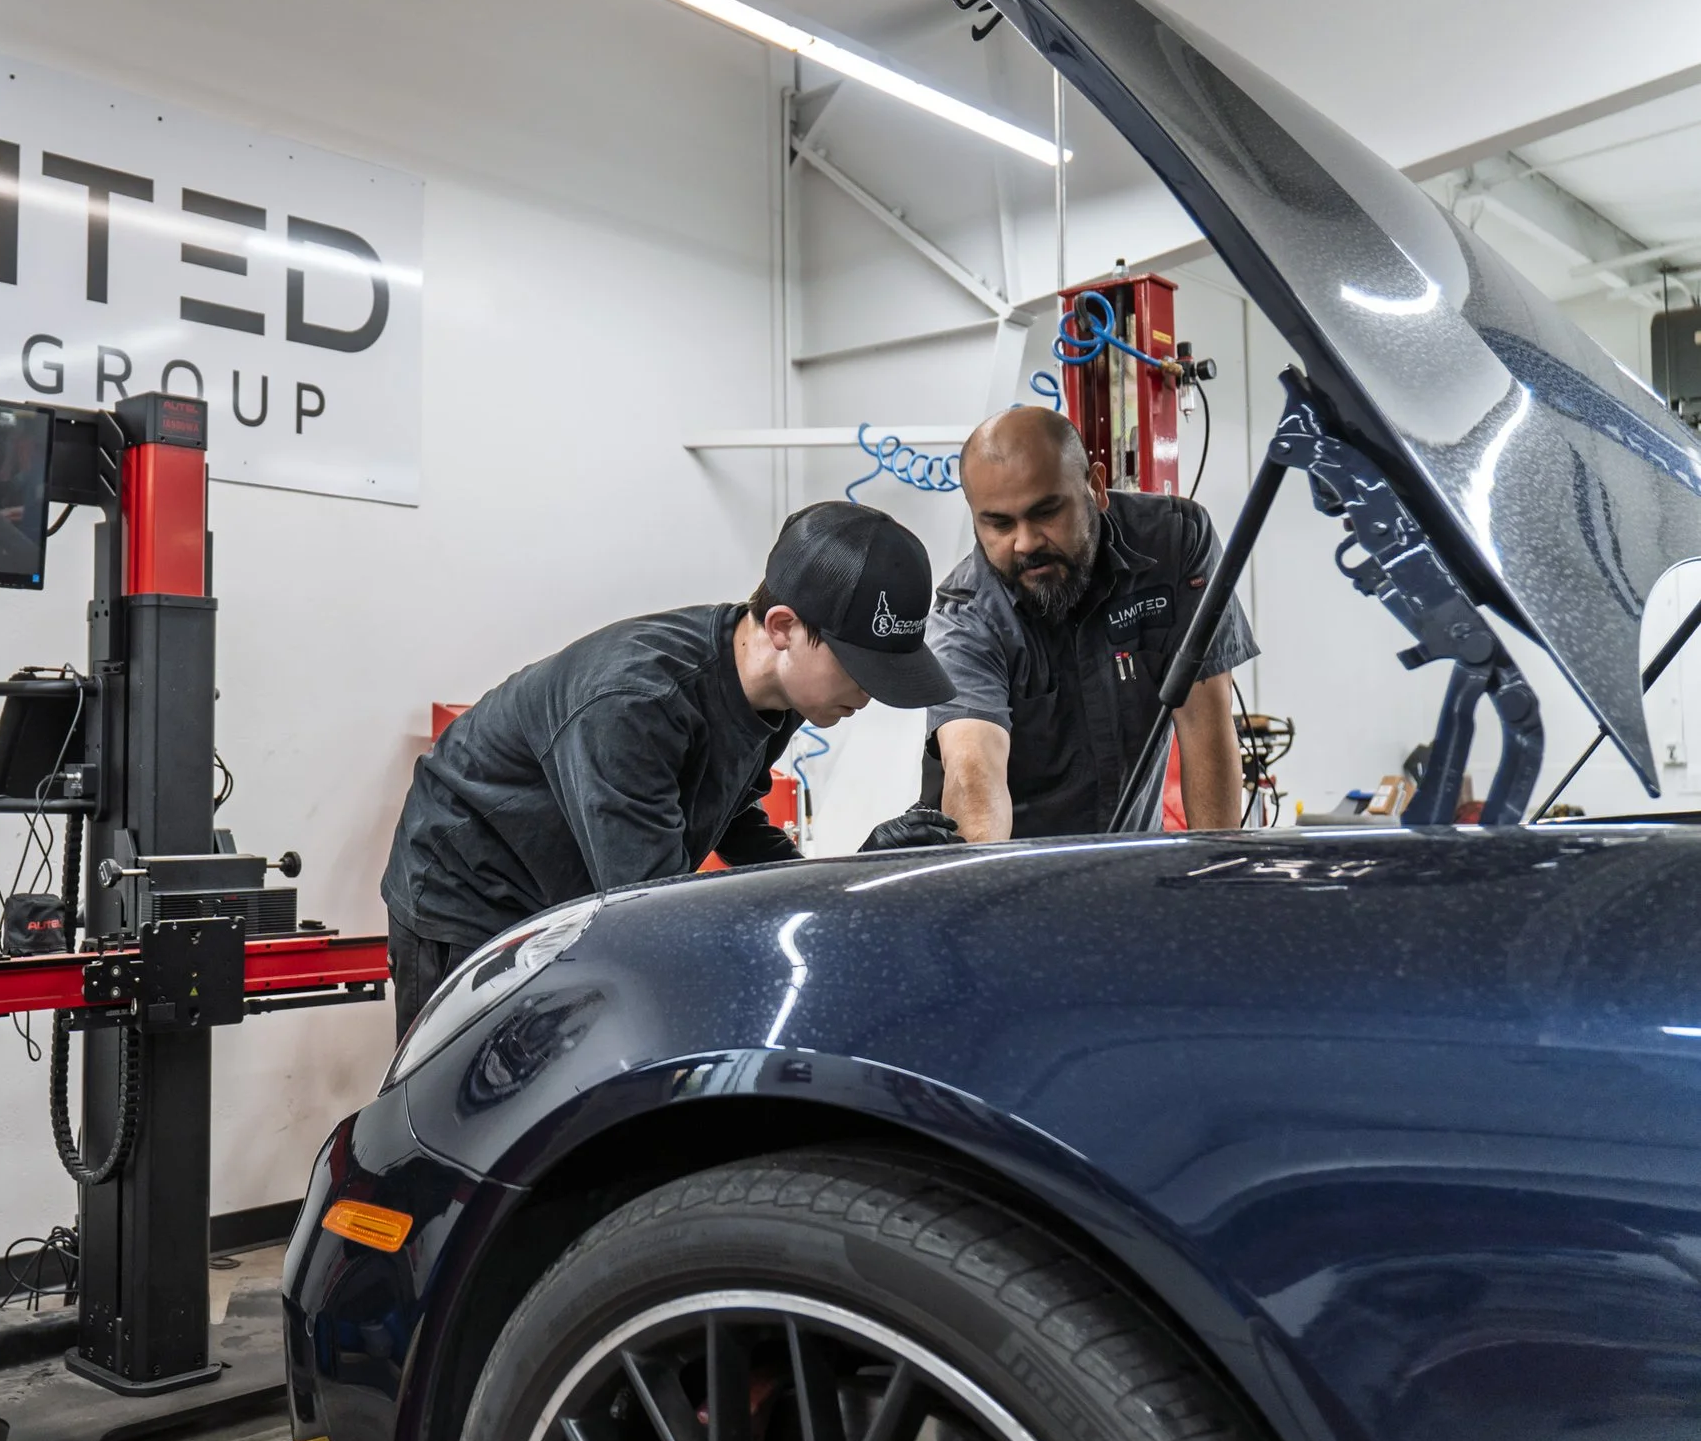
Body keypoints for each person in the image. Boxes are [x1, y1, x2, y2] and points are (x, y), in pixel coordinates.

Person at [380, 502, 962, 1037]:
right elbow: (655, 916)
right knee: (464, 1107)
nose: (870, 692)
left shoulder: (773, 697)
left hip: (565, 889)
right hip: (468, 892)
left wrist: (842, 878)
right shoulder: (637, 704)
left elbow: (735, 823)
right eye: (860, 667)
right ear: (783, 628)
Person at [921, 407, 1253, 840]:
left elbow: (1205, 721)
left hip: (1130, 869)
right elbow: (974, 775)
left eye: (1045, 512)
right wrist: (988, 889)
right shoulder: (965, 618)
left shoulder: (1174, 544)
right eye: (998, 523)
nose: (1025, 542)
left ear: (1095, 487)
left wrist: (1219, 873)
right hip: (1017, 883)